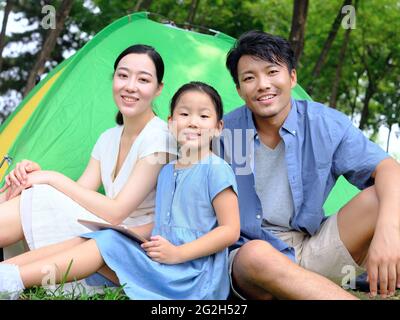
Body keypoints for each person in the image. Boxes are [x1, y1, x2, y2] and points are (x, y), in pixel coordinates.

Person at [0, 81, 240, 300]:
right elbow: (163, 223)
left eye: (204, 116)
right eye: (184, 114)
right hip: (162, 260)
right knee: (91, 238)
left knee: (108, 242)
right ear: (170, 123)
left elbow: (230, 230)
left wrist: (178, 253)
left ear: (218, 127)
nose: (193, 122)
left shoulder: (216, 169)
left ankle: (16, 279)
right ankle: (8, 272)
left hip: (192, 277)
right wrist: (126, 232)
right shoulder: (167, 171)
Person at [219, 30, 400, 300]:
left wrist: (389, 232)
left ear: (292, 77)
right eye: (249, 78)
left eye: (272, 72)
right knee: (256, 254)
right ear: (239, 90)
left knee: (382, 198)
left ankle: (306, 288)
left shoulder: (324, 124)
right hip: (250, 254)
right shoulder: (224, 133)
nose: (262, 84)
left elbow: (388, 168)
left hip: (312, 246)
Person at [0, 44, 177, 288]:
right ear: (113, 79)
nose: (130, 86)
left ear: (158, 89)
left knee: (42, 190)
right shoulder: (108, 137)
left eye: (143, 79)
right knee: (30, 187)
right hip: (100, 231)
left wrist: (51, 178)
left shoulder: (160, 138)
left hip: (127, 246)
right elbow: (78, 194)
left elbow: (117, 212)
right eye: (123, 75)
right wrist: (37, 174)